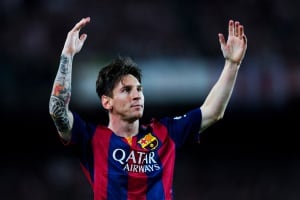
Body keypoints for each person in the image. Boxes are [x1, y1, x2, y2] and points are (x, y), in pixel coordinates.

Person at [49, 16, 247, 200]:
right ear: (107, 102)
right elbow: (57, 110)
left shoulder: (164, 133)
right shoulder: (91, 139)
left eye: (139, 89)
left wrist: (232, 64)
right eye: (126, 90)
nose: (137, 95)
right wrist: (67, 55)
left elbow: (213, 112)